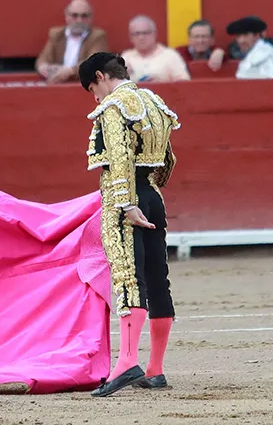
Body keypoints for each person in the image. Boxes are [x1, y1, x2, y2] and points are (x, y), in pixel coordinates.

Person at [78, 51, 179, 397]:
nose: (95, 96)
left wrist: (127, 204)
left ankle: (127, 362)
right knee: (157, 278)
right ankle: (156, 369)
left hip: (128, 201)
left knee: (127, 277)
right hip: (152, 195)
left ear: (101, 77)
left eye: (93, 87)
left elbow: (119, 158)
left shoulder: (113, 107)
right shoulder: (153, 101)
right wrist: (147, 195)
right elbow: (168, 159)